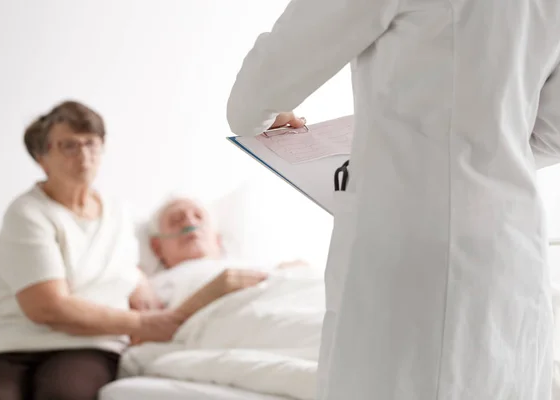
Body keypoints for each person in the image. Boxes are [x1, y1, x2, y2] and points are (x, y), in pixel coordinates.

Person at [226, 2, 560, 399]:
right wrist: (480, 157)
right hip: (512, 252)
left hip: (406, 252)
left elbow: (251, 104)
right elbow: (551, 134)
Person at [0, 101, 185, 400]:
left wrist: (139, 280)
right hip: (8, 345)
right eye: (69, 146)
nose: (83, 155)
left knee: (65, 392)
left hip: (89, 345)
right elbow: (47, 307)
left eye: (91, 144)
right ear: (42, 158)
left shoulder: (121, 214)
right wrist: (143, 324)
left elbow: (119, 264)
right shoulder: (28, 212)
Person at [145, 196, 310, 310]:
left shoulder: (256, 266)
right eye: (176, 220)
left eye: (198, 217)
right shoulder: (155, 287)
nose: (190, 221)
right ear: (157, 247)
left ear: (217, 239)